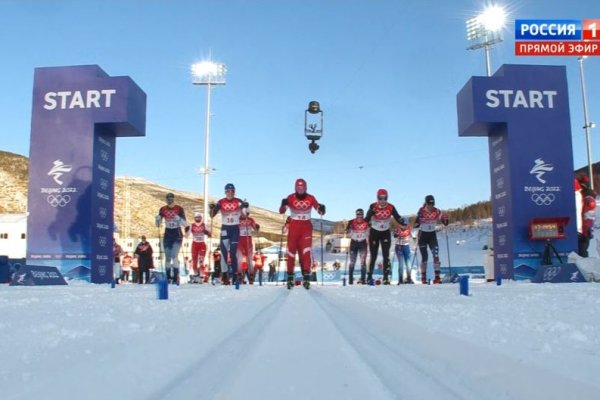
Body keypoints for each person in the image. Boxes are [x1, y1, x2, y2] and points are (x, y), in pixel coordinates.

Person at [279, 178, 325, 289]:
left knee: (305, 252)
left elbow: (319, 209)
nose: (300, 190)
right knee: (290, 252)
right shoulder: (290, 197)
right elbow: (281, 211)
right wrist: (283, 204)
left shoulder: (310, 198)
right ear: (295, 188)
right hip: (294, 226)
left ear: (306, 188)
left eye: (302, 188)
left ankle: (306, 277)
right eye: (298, 188)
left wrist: (322, 209)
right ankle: (290, 276)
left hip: (306, 227)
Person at [209, 183, 249, 285]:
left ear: (234, 192)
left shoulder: (239, 201)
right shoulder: (221, 202)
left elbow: (245, 215)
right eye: (228, 191)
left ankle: (235, 275)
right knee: (223, 253)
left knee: (233, 252)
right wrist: (211, 208)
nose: (230, 193)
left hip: (235, 228)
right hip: (225, 229)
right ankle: (225, 275)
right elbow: (212, 215)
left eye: (232, 191)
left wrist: (245, 207)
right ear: (225, 192)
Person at [365, 189, 403, 285]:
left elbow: (397, 217)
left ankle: (386, 278)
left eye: (384, 198)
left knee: (386, 255)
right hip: (374, 233)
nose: (382, 200)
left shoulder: (391, 207)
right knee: (373, 256)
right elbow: (366, 219)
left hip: (385, 232)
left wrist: (403, 222)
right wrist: (368, 219)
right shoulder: (373, 206)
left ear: (387, 198)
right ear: (377, 198)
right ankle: (369, 276)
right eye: (380, 198)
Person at [414, 195, 448, 284]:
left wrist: (445, 220)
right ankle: (423, 278)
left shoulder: (437, 211)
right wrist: (418, 221)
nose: (431, 206)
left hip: (432, 235)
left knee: (435, 254)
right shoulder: (421, 211)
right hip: (423, 235)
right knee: (425, 257)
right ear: (426, 203)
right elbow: (416, 223)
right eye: (429, 204)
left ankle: (437, 277)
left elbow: (444, 220)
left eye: (432, 204)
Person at [156, 192, 189, 284]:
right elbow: (158, 225)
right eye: (168, 199)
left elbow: (185, 224)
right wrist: (157, 219)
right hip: (167, 233)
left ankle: (175, 276)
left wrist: (180, 219)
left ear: (174, 199)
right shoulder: (162, 209)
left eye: (171, 199)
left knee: (174, 256)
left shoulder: (179, 209)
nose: (169, 200)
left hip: (177, 233)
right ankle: (167, 276)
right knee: (167, 257)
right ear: (166, 200)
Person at [345, 208, 369, 284]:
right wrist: (348, 230)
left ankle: (363, 279)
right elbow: (347, 230)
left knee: (363, 262)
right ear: (356, 215)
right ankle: (350, 279)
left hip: (363, 243)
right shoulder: (351, 222)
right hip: (354, 243)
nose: (359, 216)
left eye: (361, 215)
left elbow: (372, 229)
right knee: (352, 262)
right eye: (358, 215)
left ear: (363, 214)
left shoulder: (367, 222)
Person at [577, 175, 597, 257]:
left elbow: (587, 217)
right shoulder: (588, 197)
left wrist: (585, 232)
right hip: (584, 230)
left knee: (581, 254)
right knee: (581, 253)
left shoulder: (587, 199)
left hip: (582, 231)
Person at [189, 212, 211, 283]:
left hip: (202, 244)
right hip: (194, 244)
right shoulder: (191, 225)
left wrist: (207, 232)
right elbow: (187, 234)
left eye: (199, 217)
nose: (198, 218)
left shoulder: (204, 225)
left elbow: (210, 233)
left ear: (201, 218)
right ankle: (195, 275)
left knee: (201, 260)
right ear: (194, 218)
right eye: (196, 217)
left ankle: (201, 275)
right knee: (194, 260)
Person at [238, 211, 260, 284]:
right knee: (239, 259)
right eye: (243, 213)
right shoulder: (237, 220)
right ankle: (239, 275)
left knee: (249, 259)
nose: (244, 215)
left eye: (246, 213)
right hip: (240, 241)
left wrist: (257, 227)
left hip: (248, 241)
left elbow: (255, 229)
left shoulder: (251, 220)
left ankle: (251, 276)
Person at [393, 217, 414, 284]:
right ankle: (400, 279)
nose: (403, 226)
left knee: (408, 263)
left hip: (406, 246)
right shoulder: (397, 229)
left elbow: (414, 236)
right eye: (402, 224)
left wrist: (415, 237)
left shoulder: (409, 229)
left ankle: (409, 278)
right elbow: (394, 234)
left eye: (405, 224)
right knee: (401, 263)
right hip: (399, 246)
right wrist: (396, 235)